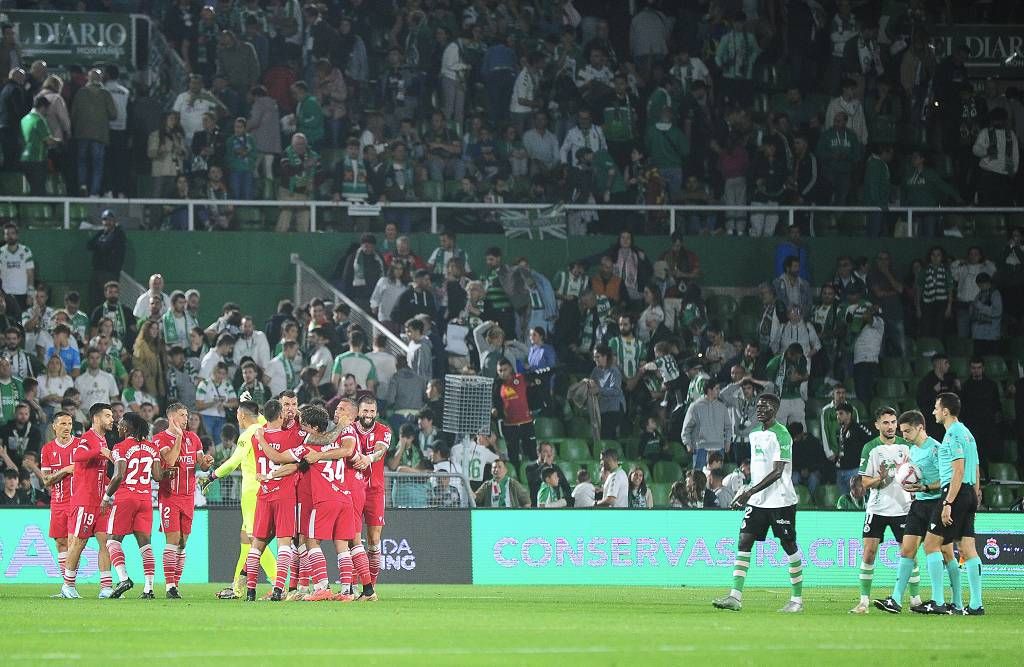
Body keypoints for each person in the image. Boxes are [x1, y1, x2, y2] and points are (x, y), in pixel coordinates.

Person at [713, 393, 804, 613]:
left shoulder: (782, 435)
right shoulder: (754, 434)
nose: (760, 409)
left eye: (765, 406)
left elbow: (777, 472)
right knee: (744, 541)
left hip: (781, 500)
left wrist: (749, 492)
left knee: (789, 546)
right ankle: (735, 597)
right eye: (758, 406)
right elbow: (757, 471)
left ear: (775, 409)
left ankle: (797, 601)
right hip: (758, 501)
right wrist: (745, 491)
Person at [875, 410, 959, 614]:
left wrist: (927, 487)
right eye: (902, 431)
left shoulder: (937, 450)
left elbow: (948, 480)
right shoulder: (912, 450)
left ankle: (949, 601)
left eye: (907, 431)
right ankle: (895, 599)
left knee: (944, 551)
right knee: (907, 550)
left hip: (937, 504)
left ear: (920, 427)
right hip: (919, 505)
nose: (904, 435)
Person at [912, 393, 983, 615]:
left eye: (935, 408)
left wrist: (948, 502)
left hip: (955, 492)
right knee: (966, 548)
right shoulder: (968, 433)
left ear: (945, 411)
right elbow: (976, 467)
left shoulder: (952, 434)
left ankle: (938, 601)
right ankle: (975, 605)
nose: (933, 411)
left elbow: (958, 470)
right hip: (969, 492)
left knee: (931, 545)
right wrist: (974, 495)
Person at [199, 400, 276, 598]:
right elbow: (258, 416)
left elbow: (234, 462)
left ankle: (278, 584)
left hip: (252, 493)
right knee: (246, 539)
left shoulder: (248, 434)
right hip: (266, 489)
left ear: (241, 416)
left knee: (255, 540)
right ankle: (237, 587)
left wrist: (212, 476)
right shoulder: (265, 428)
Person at [849, 406, 913, 614]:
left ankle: (915, 599)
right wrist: (881, 478)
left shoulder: (907, 446)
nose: (891, 426)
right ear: (877, 425)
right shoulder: (870, 448)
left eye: (893, 422)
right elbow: (865, 482)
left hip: (903, 508)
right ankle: (864, 602)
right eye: (886, 422)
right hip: (877, 508)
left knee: (909, 553)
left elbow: (916, 472)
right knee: (869, 553)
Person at [241, 399, 302, 601]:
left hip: (264, 495)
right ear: (281, 416)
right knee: (284, 544)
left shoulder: (256, 437)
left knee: (257, 543)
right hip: (284, 494)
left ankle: (250, 591)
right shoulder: (290, 437)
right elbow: (293, 465)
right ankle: (278, 589)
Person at [99, 412, 162, 598]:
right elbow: (158, 476)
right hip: (145, 499)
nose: (117, 427)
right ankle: (149, 589)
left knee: (112, 540)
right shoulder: (153, 448)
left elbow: (119, 474)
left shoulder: (120, 446)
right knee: (146, 545)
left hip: (126, 497)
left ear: (126, 428)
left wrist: (106, 497)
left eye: (120, 425)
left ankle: (124, 578)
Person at [153, 403, 212, 599]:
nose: (186, 419)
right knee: (172, 540)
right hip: (169, 497)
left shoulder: (194, 438)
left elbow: (201, 465)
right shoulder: (159, 439)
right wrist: (178, 437)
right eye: (182, 415)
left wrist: (205, 463)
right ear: (172, 418)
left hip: (188, 497)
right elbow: (169, 461)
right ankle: (169, 585)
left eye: (187, 415)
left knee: (182, 543)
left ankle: (175, 585)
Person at [59, 403, 114, 599]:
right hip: (85, 501)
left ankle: (106, 587)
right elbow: (78, 456)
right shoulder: (88, 438)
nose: (112, 419)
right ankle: (68, 585)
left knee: (105, 543)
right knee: (79, 543)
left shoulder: (103, 440)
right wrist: (99, 451)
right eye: (108, 416)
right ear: (97, 418)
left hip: (101, 502)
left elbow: (99, 473)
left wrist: (115, 486)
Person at [39, 411, 78, 580]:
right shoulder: (47, 449)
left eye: (69, 424)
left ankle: (71, 584)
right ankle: (67, 585)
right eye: (63, 424)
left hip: (78, 502)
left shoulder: (80, 445)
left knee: (73, 544)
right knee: (60, 543)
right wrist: (66, 470)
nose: (67, 427)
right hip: (58, 502)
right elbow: (46, 481)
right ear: (54, 427)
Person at [493, 358, 538, 467]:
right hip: (509, 425)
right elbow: (494, 400)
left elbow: (535, 386)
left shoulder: (521, 378)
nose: (503, 373)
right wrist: (494, 410)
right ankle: (517, 476)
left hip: (526, 422)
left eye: (505, 369)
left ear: (511, 369)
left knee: (532, 453)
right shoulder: (497, 385)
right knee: (513, 455)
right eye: (500, 371)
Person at [681, 380, 732, 471]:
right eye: (716, 389)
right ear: (709, 390)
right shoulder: (695, 406)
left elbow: (728, 427)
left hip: (719, 448)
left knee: (717, 477)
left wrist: (727, 442)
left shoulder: (722, 407)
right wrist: (688, 444)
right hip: (701, 448)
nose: (719, 391)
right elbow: (686, 427)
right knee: (699, 477)